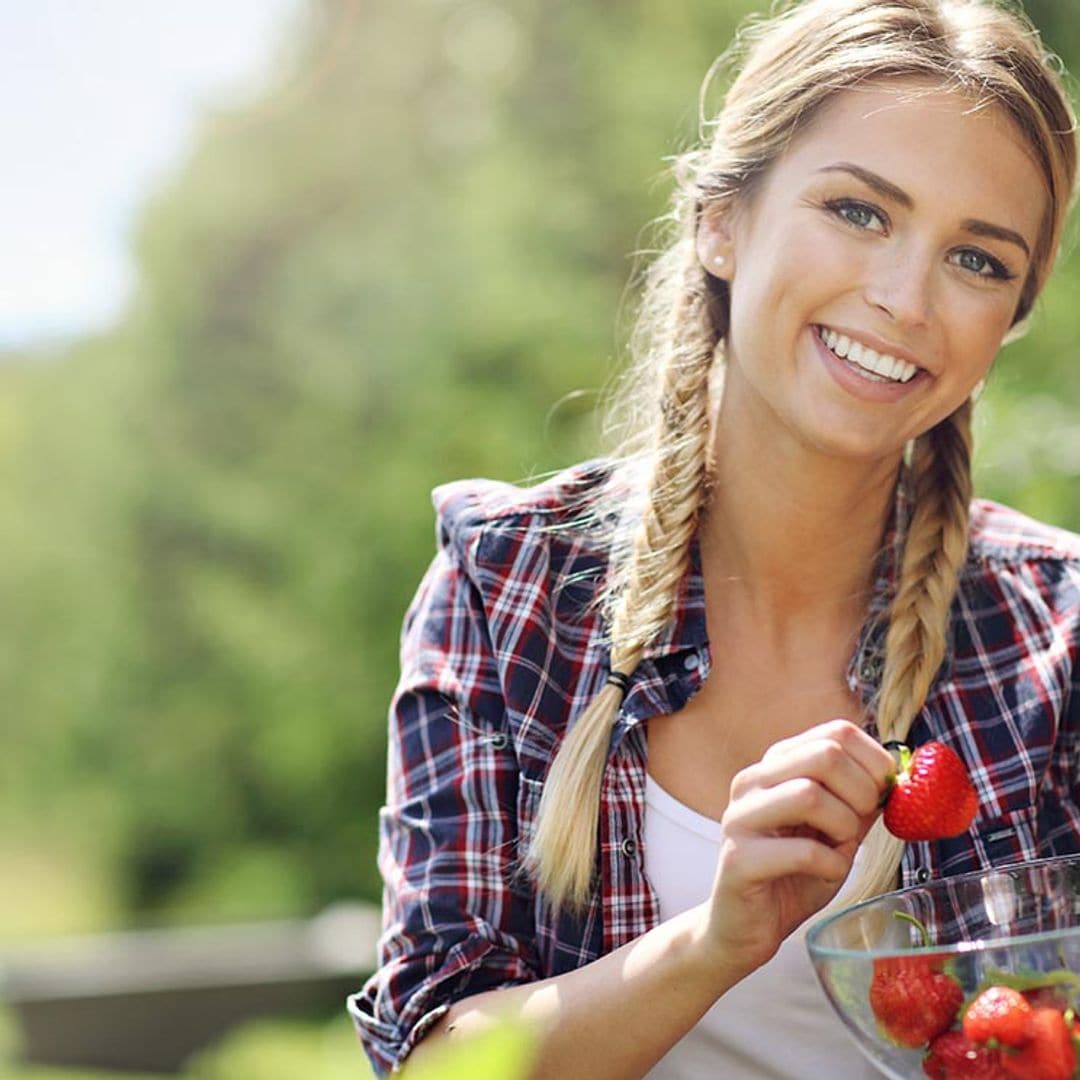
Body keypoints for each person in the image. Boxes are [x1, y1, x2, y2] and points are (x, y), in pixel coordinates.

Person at [350, 0, 1080, 1076]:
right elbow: (433, 1060)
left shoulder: (1055, 629)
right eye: (859, 211)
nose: (903, 298)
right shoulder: (509, 583)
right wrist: (716, 941)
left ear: (1008, 317)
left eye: (976, 261)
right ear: (721, 220)